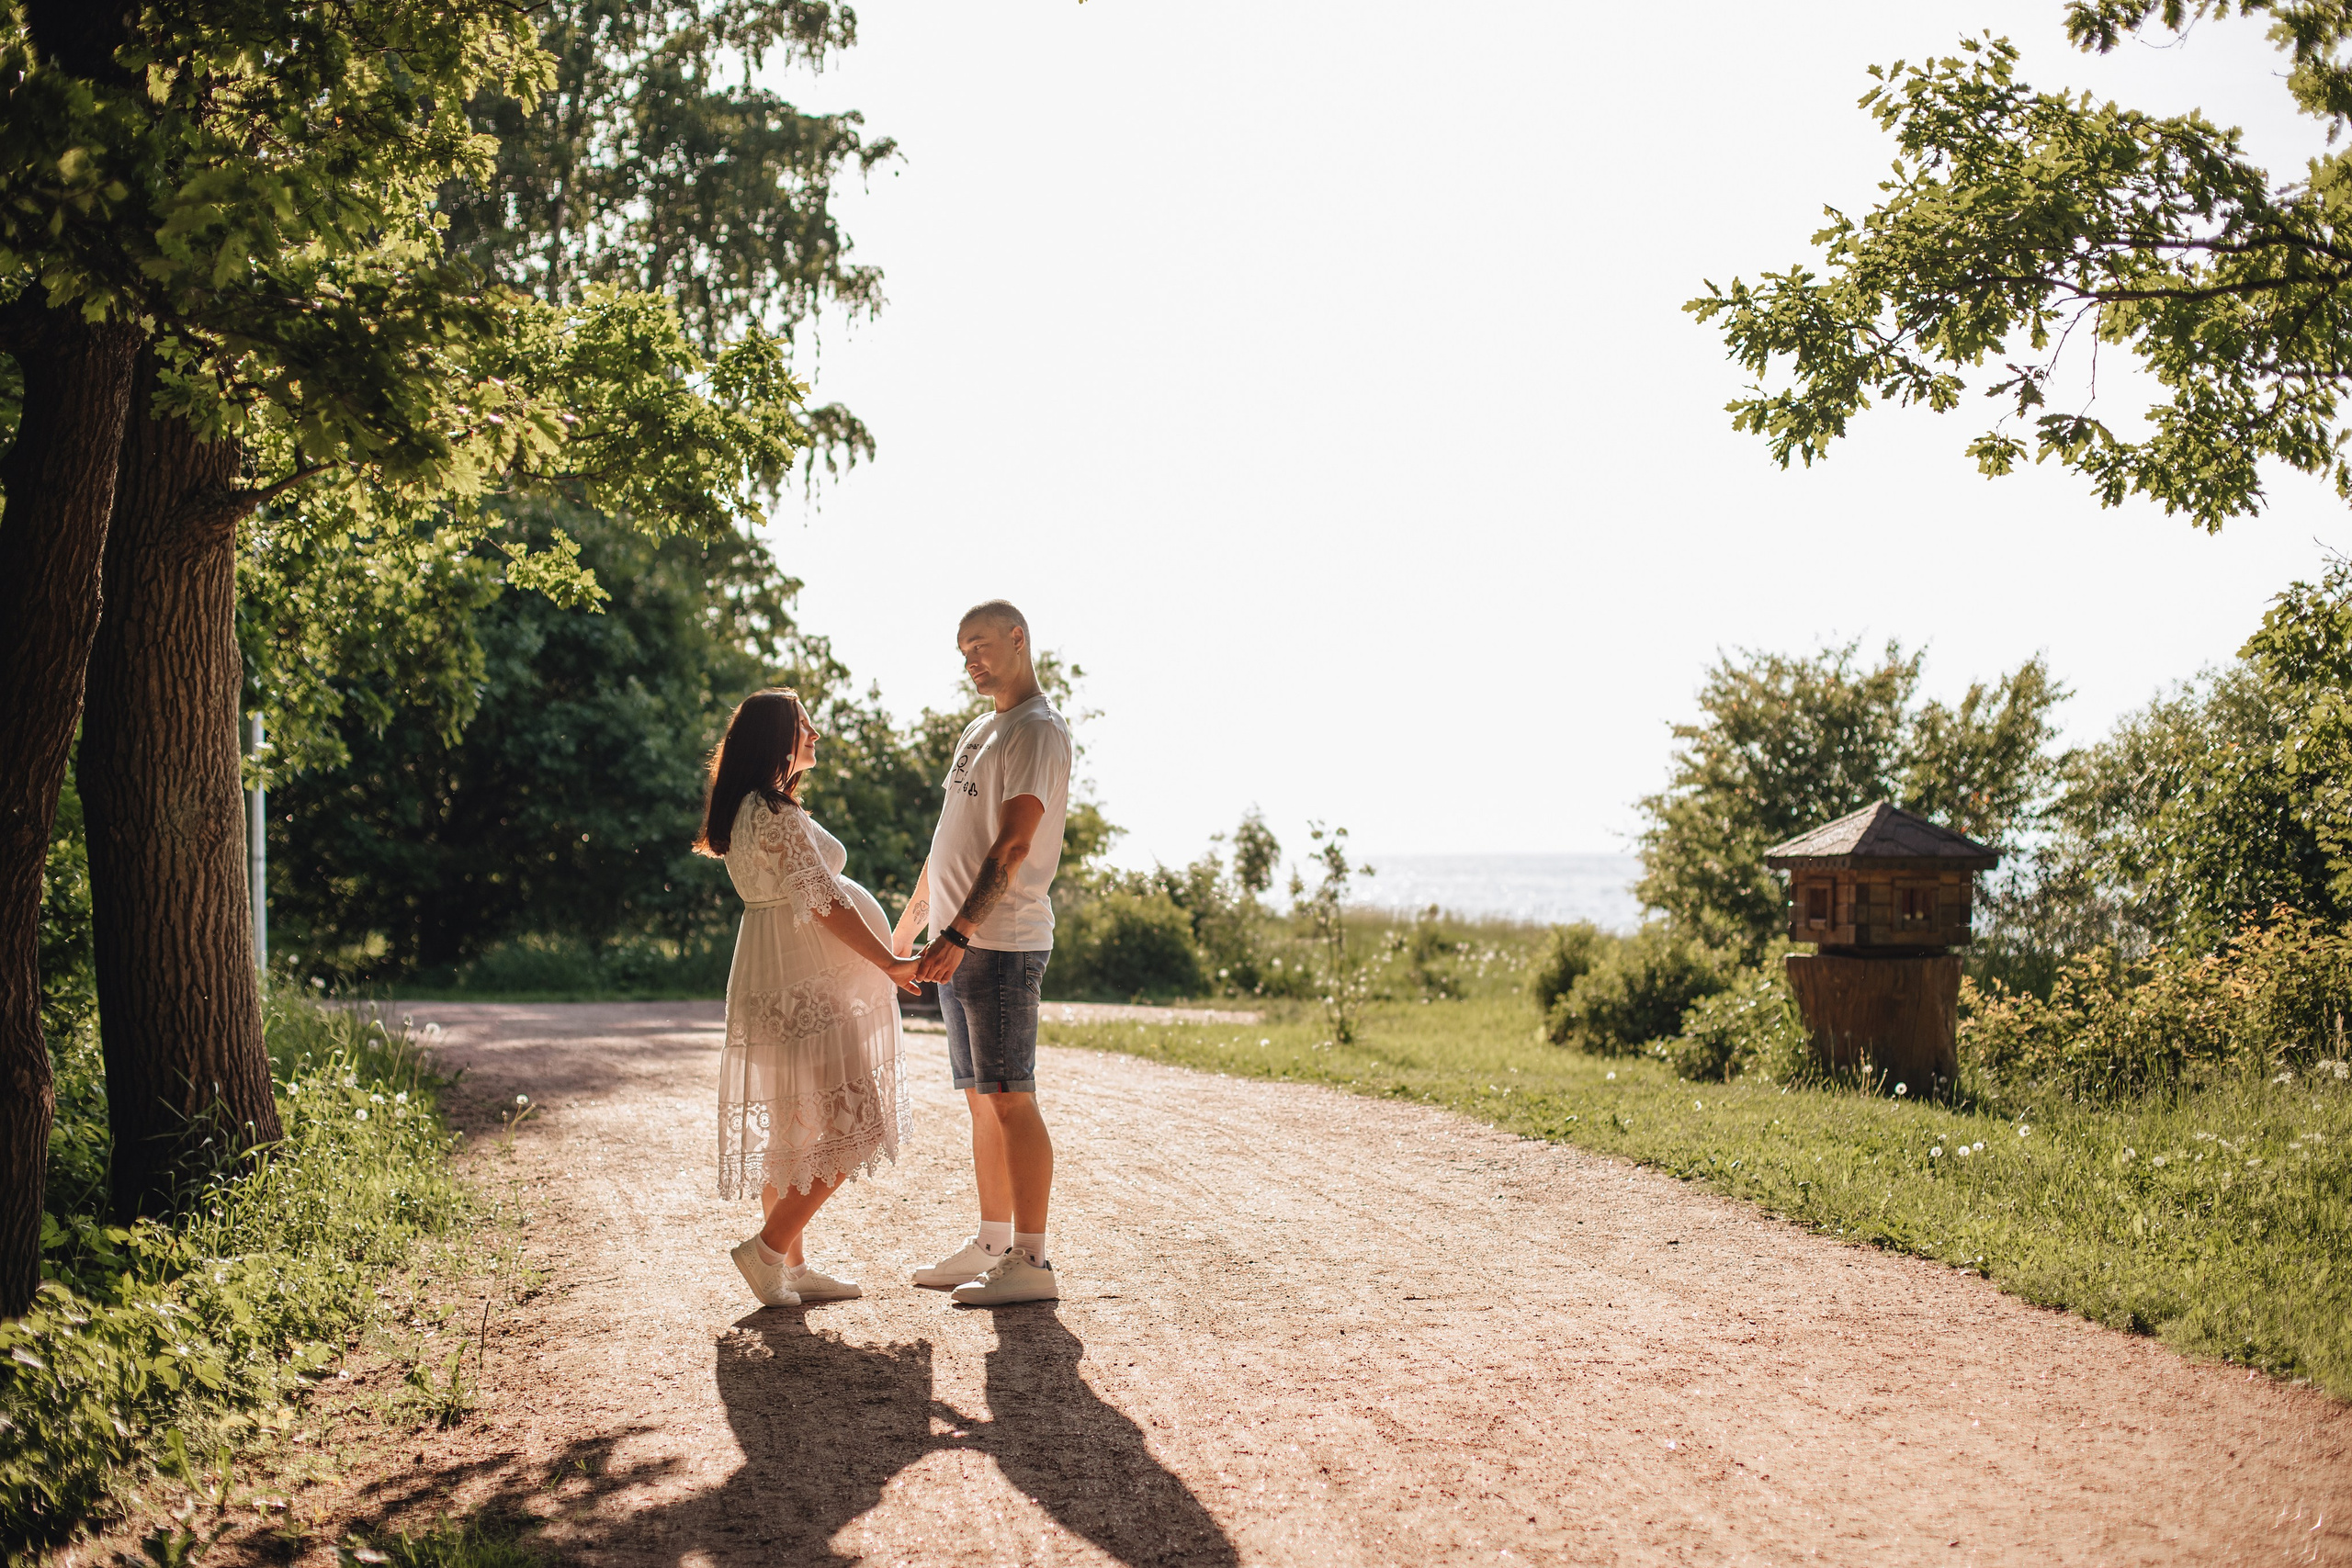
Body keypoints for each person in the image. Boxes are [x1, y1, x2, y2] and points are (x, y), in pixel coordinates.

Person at [695, 689, 920, 1308]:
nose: (815, 732)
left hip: (770, 982)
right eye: (803, 724)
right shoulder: (774, 812)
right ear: (777, 739)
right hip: (802, 990)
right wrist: (890, 962)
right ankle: (768, 1249)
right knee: (860, 1125)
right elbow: (826, 902)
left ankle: (791, 1266)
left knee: (794, 1134)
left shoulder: (748, 809)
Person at [892, 600, 1073, 1306]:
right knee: (980, 1100)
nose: (970, 660)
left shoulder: (1037, 730)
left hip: (999, 943)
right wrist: (912, 929)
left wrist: (961, 930)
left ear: (1018, 640)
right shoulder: (979, 729)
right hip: (956, 942)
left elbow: (1013, 844)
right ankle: (993, 1240)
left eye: (980, 646)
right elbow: (949, 842)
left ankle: (1032, 1259)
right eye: (962, 650)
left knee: (1009, 1097)